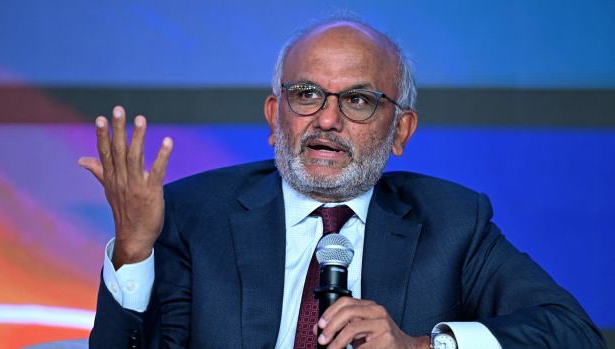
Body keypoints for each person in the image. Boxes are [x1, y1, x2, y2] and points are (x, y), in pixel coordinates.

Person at [79, 17, 606, 349]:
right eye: (307, 94)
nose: (326, 120)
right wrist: (133, 249)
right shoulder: (195, 214)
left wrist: (421, 347)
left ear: (400, 129)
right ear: (273, 117)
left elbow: (570, 333)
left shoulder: (451, 222)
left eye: (357, 100)